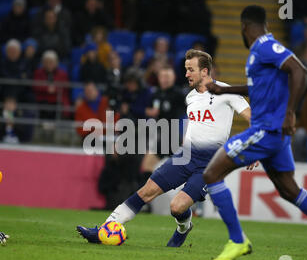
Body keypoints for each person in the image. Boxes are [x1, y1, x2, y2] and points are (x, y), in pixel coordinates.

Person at [203, 5, 307, 260]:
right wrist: (223, 90)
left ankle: (237, 240)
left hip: (266, 130)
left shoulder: (264, 46)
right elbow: (260, 87)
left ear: (244, 27)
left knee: (211, 175)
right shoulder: (261, 53)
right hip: (275, 135)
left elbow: (299, 70)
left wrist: (290, 113)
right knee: (289, 190)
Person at [77, 49, 251, 248]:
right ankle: (104, 229)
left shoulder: (226, 92)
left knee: (177, 207)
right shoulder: (191, 97)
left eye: (190, 70)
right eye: (186, 69)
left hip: (210, 164)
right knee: (146, 191)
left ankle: (183, 228)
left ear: (204, 72)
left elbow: (251, 117)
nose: (186, 74)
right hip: (186, 156)